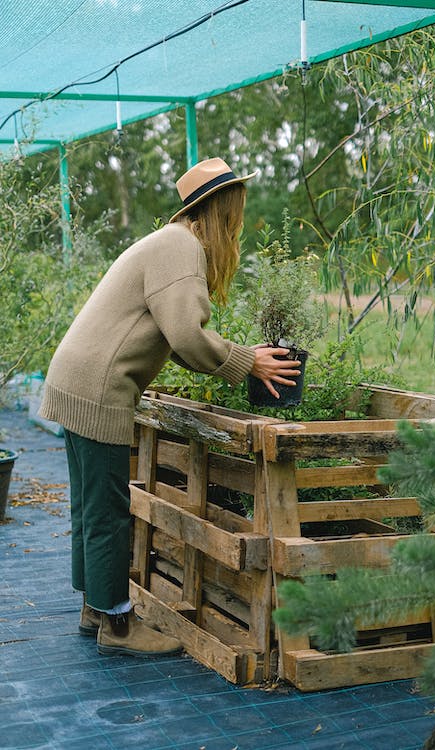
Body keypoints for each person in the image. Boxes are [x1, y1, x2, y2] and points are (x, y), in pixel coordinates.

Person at [39, 157, 301, 657]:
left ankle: (96, 607)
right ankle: (117, 624)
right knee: (109, 509)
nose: (239, 220)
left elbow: (174, 337)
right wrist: (249, 363)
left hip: (76, 379)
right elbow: (185, 334)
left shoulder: (168, 241)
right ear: (220, 208)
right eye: (237, 209)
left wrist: (237, 358)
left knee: (91, 504)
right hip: (99, 387)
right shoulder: (182, 247)